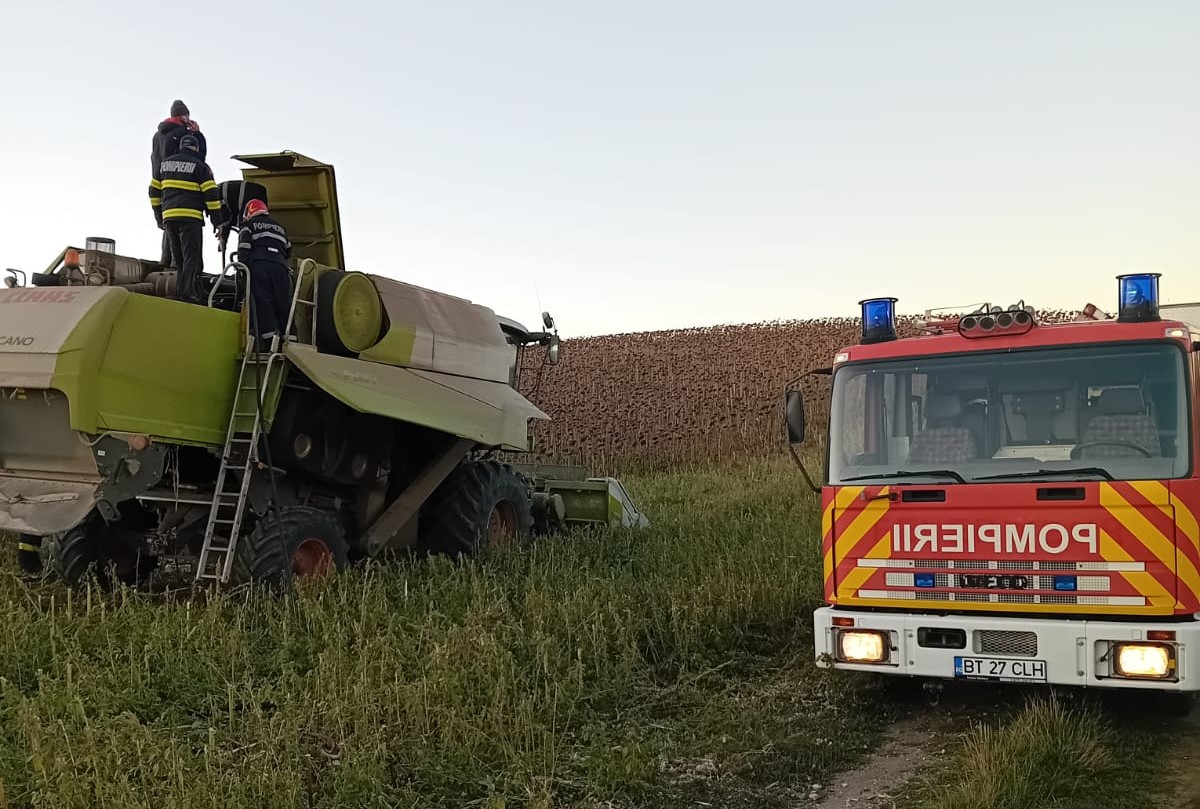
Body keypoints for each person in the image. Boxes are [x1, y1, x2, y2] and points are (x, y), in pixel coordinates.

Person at [149, 134, 224, 303]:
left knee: (179, 257)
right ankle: (189, 293)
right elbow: (211, 195)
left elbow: (153, 191)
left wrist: (159, 216)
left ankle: (185, 289)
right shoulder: (201, 167)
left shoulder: (164, 165)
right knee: (192, 256)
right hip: (191, 217)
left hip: (170, 218)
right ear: (196, 148)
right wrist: (217, 222)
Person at [150, 100, 207, 269]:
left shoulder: (158, 135)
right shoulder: (184, 133)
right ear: (184, 116)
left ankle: (165, 262)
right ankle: (178, 272)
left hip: (161, 185)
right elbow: (198, 158)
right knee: (186, 239)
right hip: (184, 190)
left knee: (169, 224)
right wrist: (198, 134)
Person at [237, 199, 293, 350]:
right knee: (283, 302)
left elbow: (244, 248)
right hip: (280, 267)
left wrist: (242, 271)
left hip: (260, 266)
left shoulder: (247, 226)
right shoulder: (280, 228)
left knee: (263, 301)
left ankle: (270, 340)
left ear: (249, 212)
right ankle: (290, 337)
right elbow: (288, 250)